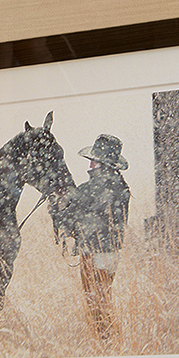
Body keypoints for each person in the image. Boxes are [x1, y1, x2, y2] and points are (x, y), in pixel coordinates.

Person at [62, 134, 130, 345]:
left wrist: (60, 206)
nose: (89, 164)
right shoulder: (121, 186)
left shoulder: (87, 189)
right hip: (112, 254)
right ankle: (109, 340)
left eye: (93, 160)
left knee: (95, 303)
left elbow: (69, 221)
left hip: (93, 253)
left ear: (100, 162)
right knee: (104, 297)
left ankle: (106, 343)